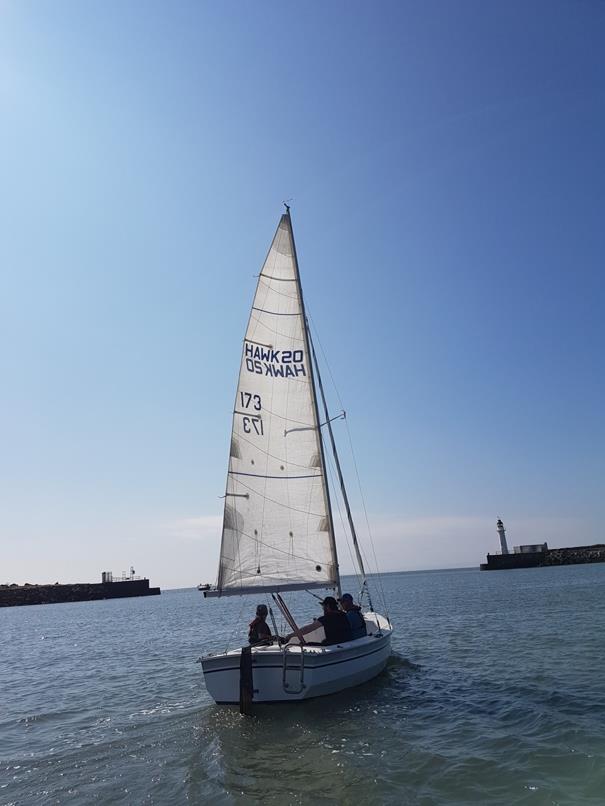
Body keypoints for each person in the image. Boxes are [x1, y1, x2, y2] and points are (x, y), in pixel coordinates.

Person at [285, 596, 352, 645]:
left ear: (328, 606)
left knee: (306, 644)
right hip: (347, 643)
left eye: (323, 606)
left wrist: (289, 636)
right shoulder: (343, 615)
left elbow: (307, 629)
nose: (323, 608)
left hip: (334, 645)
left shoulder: (326, 618)